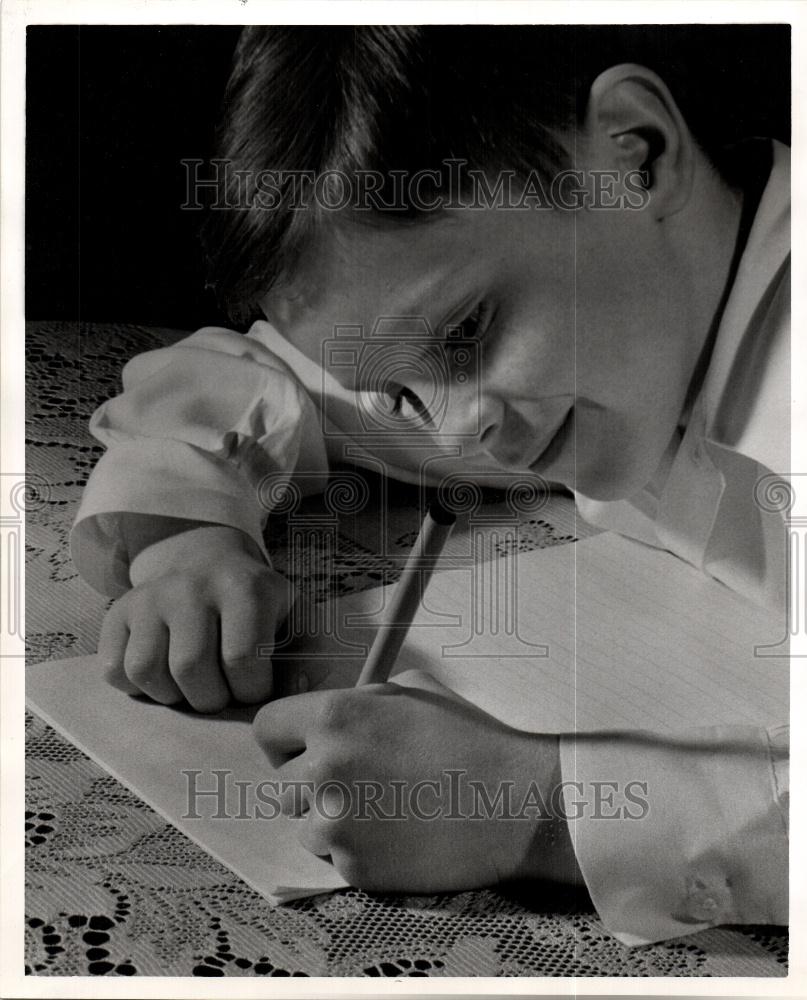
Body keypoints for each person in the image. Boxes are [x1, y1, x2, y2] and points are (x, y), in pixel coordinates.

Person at [71, 26, 790, 944]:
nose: (453, 431)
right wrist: (189, 531)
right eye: (401, 390)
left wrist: (534, 810)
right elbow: (262, 370)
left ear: (633, 152)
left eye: (466, 333)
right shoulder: (590, 343)